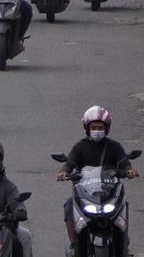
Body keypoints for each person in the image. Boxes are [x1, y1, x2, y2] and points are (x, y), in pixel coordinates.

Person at [56, 105, 139, 246]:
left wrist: (129, 170)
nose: (97, 131)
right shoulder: (80, 147)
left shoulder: (114, 147)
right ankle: (74, 243)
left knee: (123, 204)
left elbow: (124, 162)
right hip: (86, 191)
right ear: (87, 128)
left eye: (100, 127)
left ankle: (123, 239)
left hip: (109, 190)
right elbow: (69, 163)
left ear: (106, 128)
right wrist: (64, 172)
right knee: (69, 205)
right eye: (93, 127)